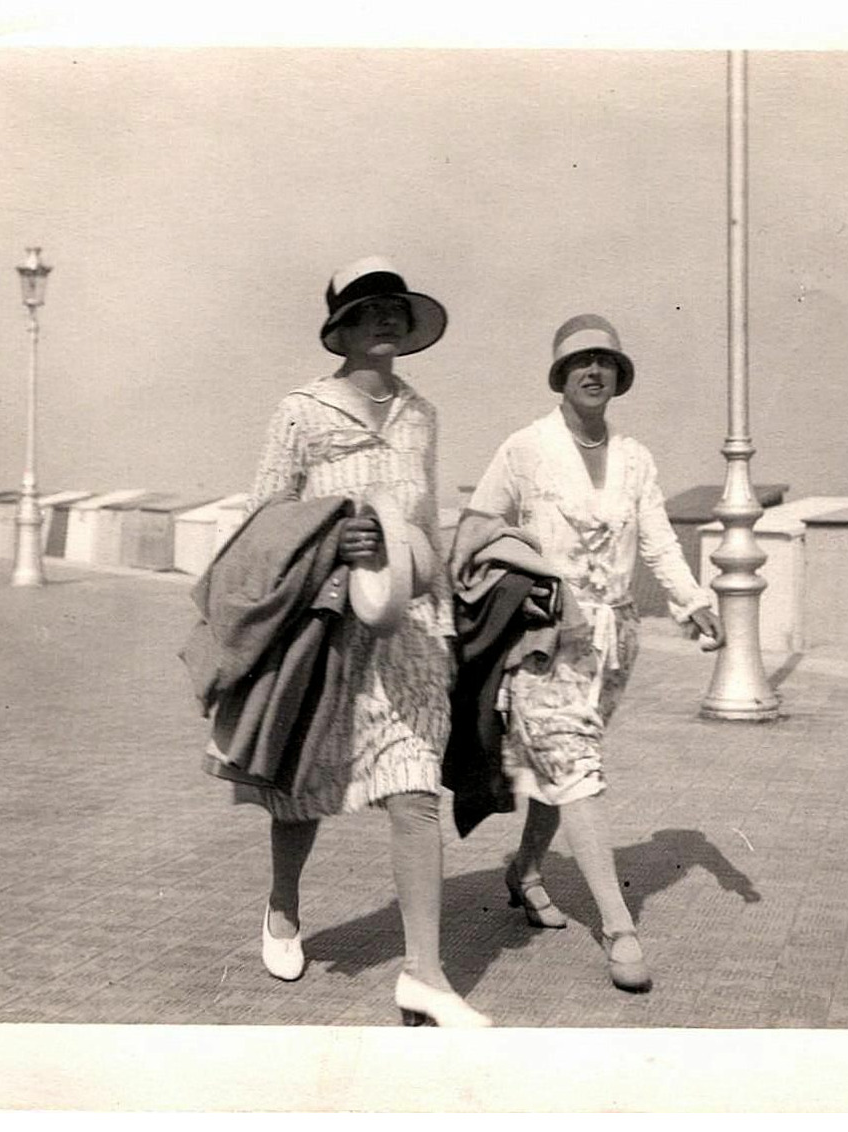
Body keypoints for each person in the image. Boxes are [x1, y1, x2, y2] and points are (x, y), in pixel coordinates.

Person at [234, 255, 489, 1027]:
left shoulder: (422, 414)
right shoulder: (301, 411)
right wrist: (324, 538)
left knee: (415, 793)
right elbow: (261, 521)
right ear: (342, 326)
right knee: (304, 787)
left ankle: (423, 974)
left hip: (407, 627)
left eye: (396, 307)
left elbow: (427, 522)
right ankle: (283, 907)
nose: (387, 318)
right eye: (370, 308)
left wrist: (445, 618)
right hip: (326, 627)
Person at [454, 313, 723, 994]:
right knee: (574, 766)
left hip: (614, 640)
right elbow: (478, 528)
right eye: (580, 362)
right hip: (545, 637)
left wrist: (693, 602)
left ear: (617, 375)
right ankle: (618, 927)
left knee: (565, 764)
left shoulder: (636, 458)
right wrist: (525, 573)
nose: (593, 371)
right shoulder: (526, 448)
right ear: (561, 376)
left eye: (604, 361)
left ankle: (525, 871)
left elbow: (658, 542)